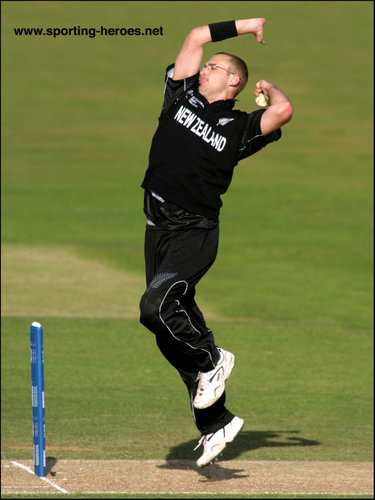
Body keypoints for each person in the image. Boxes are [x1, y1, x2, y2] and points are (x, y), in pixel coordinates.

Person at [139, 17, 293, 467]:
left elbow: (282, 111)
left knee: (156, 308)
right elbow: (194, 36)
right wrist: (248, 25)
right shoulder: (180, 93)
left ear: (234, 80)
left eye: (214, 68)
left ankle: (214, 357)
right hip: (157, 228)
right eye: (204, 67)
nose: (203, 69)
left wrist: (272, 87)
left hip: (194, 232)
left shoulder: (240, 127)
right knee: (167, 329)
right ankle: (216, 423)